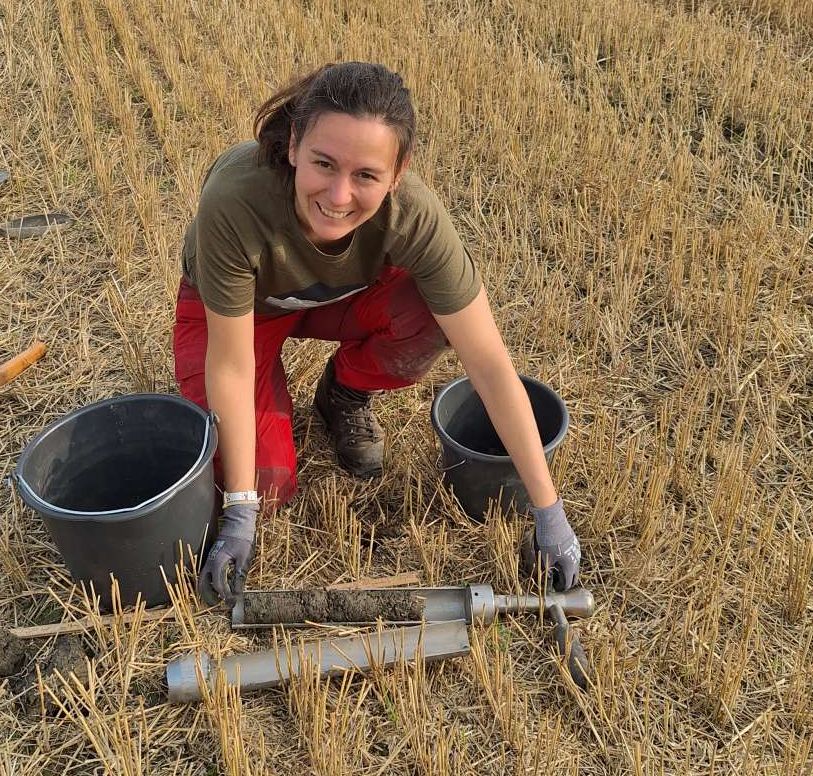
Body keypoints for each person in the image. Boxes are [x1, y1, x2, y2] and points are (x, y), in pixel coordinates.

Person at [173, 62, 581, 605]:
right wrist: (241, 509)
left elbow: (487, 361)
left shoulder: (414, 216)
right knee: (264, 485)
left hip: (337, 300)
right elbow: (230, 363)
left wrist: (548, 511)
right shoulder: (236, 199)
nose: (339, 195)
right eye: (323, 163)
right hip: (243, 314)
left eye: (366, 175)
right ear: (293, 145)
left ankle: (343, 392)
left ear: (397, 172)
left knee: (431, 313)